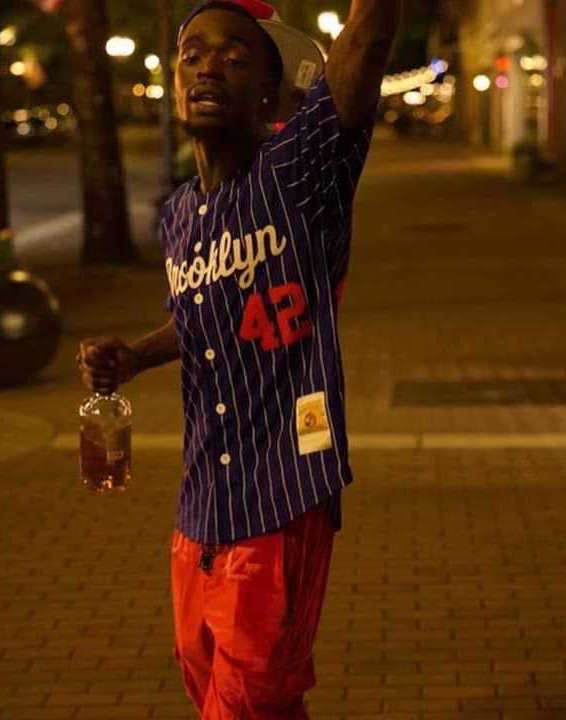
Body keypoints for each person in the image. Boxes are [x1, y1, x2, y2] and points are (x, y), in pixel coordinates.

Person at [76, 1, 401, 717]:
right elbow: (199, 315)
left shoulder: (300, 171)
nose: (208, 67)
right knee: (213, 679)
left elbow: (366, 45)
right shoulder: (180, 215)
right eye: (192, 54)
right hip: (201, 504)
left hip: (282, 496)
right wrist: (136, 355)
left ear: (267, 90)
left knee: (246, 699)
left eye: (234, 56)